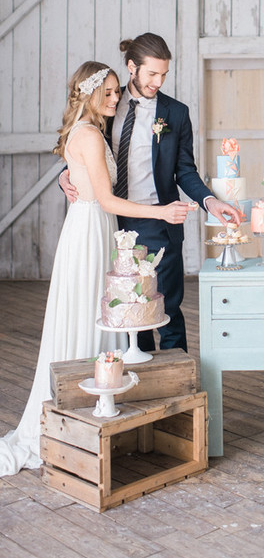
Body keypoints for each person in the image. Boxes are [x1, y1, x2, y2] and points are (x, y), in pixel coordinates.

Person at [0, 62, 192, 476]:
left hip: (98, 228)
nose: (114, 98)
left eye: (114, 91)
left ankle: (100, 415)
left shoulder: (95, 128)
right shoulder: (89, 133)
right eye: (105, 92)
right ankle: (77, 416)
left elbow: (87, 172)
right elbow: (105, 198)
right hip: (91, 228)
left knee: (102, 317)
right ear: (87, 93)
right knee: (91, 314)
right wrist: (161, 211)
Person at [61, 34, 241, 352]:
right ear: (133, 67)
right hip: (110, 224)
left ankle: (178, 387)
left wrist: (210, 200)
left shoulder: (175, 114)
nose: (158, 82)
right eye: (151, 74)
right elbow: (82, 150)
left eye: (163, 75)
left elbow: (185, 170)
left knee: (167, 311)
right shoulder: (106, 105)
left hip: (159, 225)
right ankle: (138, 384)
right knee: (128, 315)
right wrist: (67, 175)